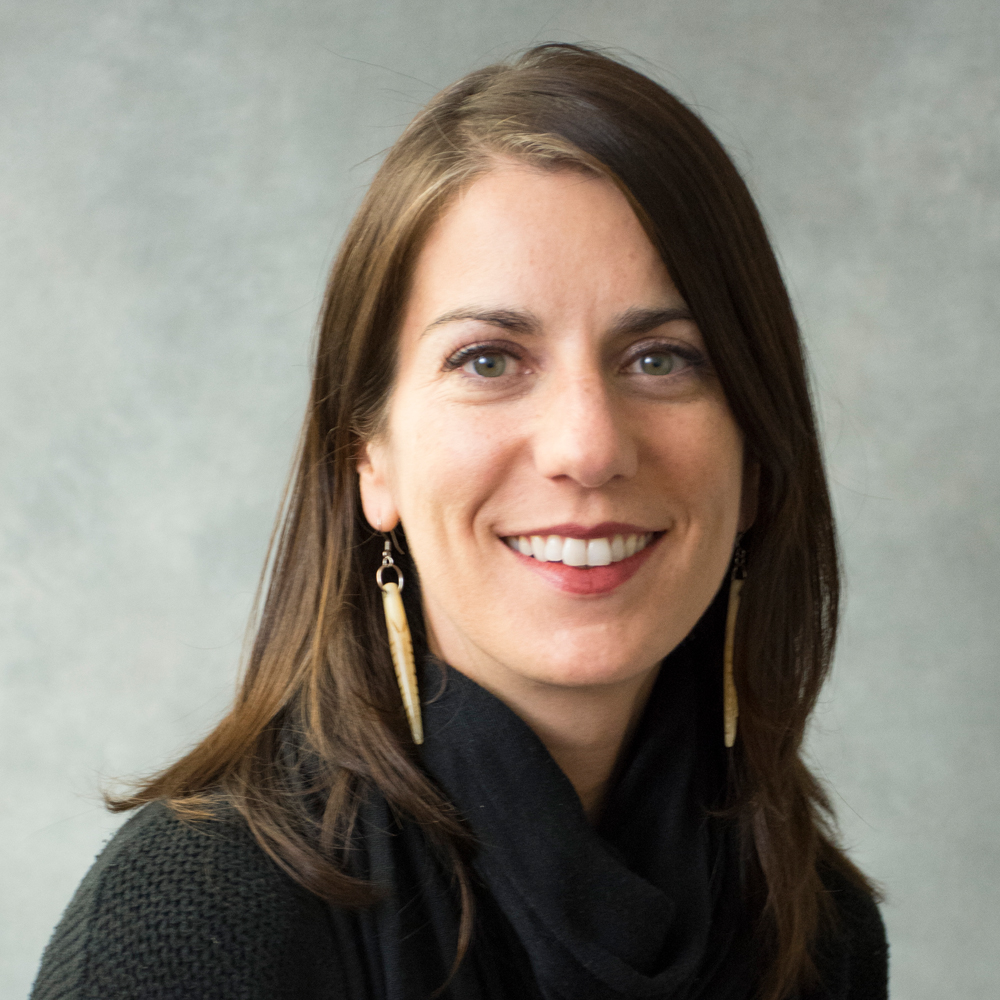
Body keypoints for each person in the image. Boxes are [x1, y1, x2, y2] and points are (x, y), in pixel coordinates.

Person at [31, 43, 888, 1000]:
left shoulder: (811, 926)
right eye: (488, 360)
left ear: (760, 456)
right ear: (371, 455)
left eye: (662, 358)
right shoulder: (200, 917)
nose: (587, 445)